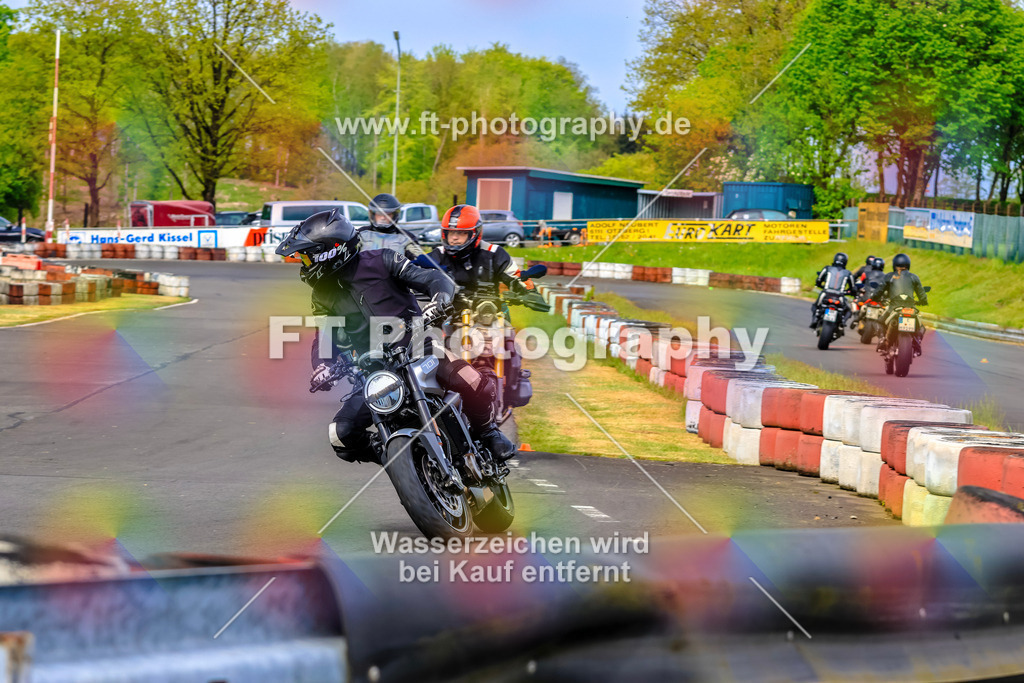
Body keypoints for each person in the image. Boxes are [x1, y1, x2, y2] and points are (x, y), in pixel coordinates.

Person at [275, 208, 515, 464]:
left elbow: (432, 278)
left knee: (476, 384)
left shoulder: (383, 260)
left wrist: (440, 299)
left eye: (308, 258)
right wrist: (323, 365)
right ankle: (401, 462)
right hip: (374, 374)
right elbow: (325, 335)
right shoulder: (321, 295)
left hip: (421, 350)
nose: (305, 265)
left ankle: (488, 432)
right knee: (341, 435)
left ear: (331, 251)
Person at [428, 204, 534, 300]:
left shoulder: (494, 253)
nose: (454, 238)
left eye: (460, 233)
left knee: (503, 320)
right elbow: (416, 273)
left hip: (488, 312)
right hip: (446, 313)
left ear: (474, 233)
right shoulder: (438, 254)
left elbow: (514, 276)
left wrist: (527, 288)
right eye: (450, 233)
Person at [873, 253, 929, 355]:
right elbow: (923, 296)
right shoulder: (914, 277)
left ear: (894, 264)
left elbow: (879, 291)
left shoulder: (889, 276)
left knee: (879, 322)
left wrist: (874, 298)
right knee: (921, 327)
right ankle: (917, 343)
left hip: (893, 308)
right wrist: (922, 302)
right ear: (908, 265)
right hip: (911, 308)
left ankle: (882, 340)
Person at [357, 192, 427, 260]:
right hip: (366, 271)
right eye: (379, 214)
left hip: (394, 271)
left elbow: (418, 262)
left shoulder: (406, 237)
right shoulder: (361, 234)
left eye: (387, 214)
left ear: (394, 215)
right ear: (373, 215)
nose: (383, 218)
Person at [810, 252, 856, 328]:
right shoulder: (848, 273)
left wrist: (819, 285)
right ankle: (843, 322)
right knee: (848, 311)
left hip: (826, 293)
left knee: (815, 306)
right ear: (845, 262)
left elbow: (818, 280)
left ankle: (815, 319)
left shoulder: (827, 268)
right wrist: (850, 292)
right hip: (839, 296)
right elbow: (853, 287)